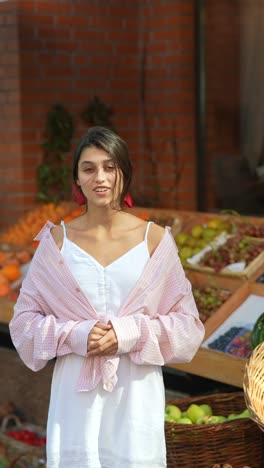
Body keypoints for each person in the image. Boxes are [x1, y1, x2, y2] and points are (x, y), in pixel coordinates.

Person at [9, 126, 205, 468]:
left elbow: (188, 327)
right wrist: (76, 335)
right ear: (77, 180)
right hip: (75, 398)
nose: (100, 177)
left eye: (110, 167)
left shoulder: (155, 241)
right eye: (89, 168)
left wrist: (129, 334)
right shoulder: (56, 243)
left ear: (124, 174)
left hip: (136, 393)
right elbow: (24, 324)